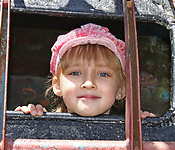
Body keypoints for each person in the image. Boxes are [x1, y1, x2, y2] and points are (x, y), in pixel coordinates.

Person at [15, 23, 155, 118]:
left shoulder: (131, 136)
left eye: (103, 74)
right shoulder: (45, 129)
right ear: (57, 86)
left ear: (121, 89)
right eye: (75, 73)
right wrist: (27, 125)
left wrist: (150, 132)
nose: (89, 83)